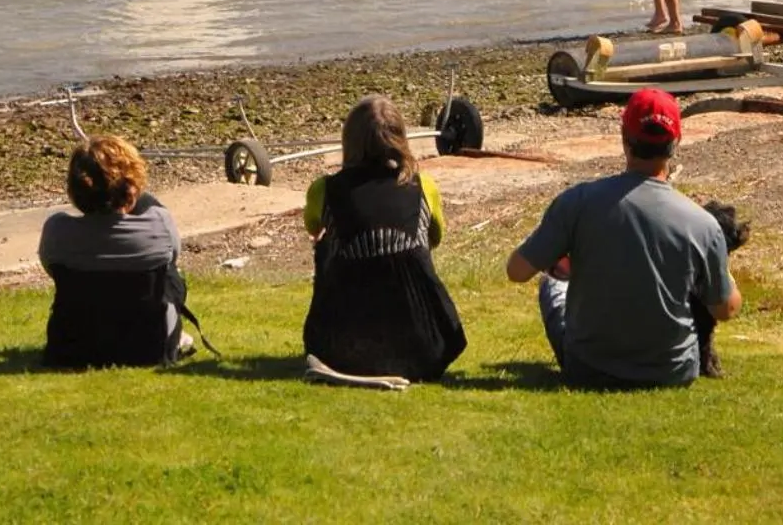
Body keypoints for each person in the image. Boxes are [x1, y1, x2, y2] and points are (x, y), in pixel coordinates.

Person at [506, 88, 740, 390]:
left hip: (588, 367)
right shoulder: (702, 224)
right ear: (676, 143)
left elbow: (516, 271)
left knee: (551, 284)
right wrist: (720, 269)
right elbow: (726, 309)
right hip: (672, 369)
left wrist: (563, 260)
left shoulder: (577, 202)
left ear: (623, 137)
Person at [302, 94, 466, 382]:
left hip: (340, 351)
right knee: (416, 244)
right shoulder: (423, 186)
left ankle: (352, 333)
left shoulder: (325, 190)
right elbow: (436, 237)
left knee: (326, 242)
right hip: (425, 348)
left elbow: (312, 228)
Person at [39, 134, 189, 369]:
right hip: (148, 348)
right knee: (170, 275)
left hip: (73, 349)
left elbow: (51, 268)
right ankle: (174, 336)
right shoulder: (158, 222)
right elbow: (172, 259)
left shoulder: (57, 230)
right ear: (129, 189)